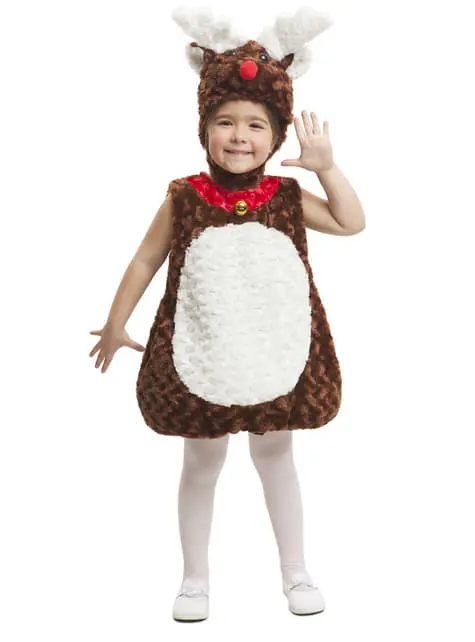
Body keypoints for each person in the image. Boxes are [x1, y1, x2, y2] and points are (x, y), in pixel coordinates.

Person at [89, 5, 366, 622]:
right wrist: (115, 322)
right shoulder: (184, 197)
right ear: (204, 128)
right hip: (204, 352)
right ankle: (194, 580)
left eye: (255, 125)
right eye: (225, 122)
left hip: (272, 354)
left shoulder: (287, 196)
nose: (239, 136)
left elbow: (351, 222)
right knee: (201, 461)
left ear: (278, 135)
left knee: (276, 458)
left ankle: (295, 571)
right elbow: (145, 260)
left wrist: (327, 169)